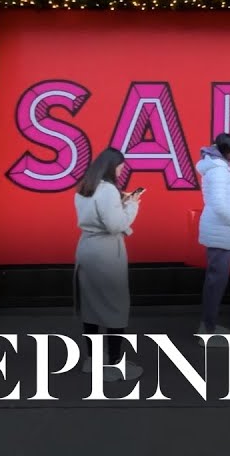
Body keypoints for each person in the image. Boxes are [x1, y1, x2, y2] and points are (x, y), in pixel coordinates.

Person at [74, 147, 142, 382]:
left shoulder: (85, 187)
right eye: (121, 167)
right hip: (106, 254)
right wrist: (132, 205)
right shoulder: (108, 191)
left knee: (91, 309)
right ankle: (114, 365)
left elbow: (98, 216)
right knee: (116, 309)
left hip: (86, 250)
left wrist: (120, 204)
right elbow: (114, 225)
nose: (122, 171)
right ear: (112, 166)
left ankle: (92, 361)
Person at [196, 132, 230, 340]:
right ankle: (208, 329)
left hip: (220, 230)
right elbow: (218, 203)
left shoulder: (217, 168)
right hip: (221, 230)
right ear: (225, 150)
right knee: (216, 282)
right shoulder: (219, 171)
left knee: (215, 281)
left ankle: (209, 325)